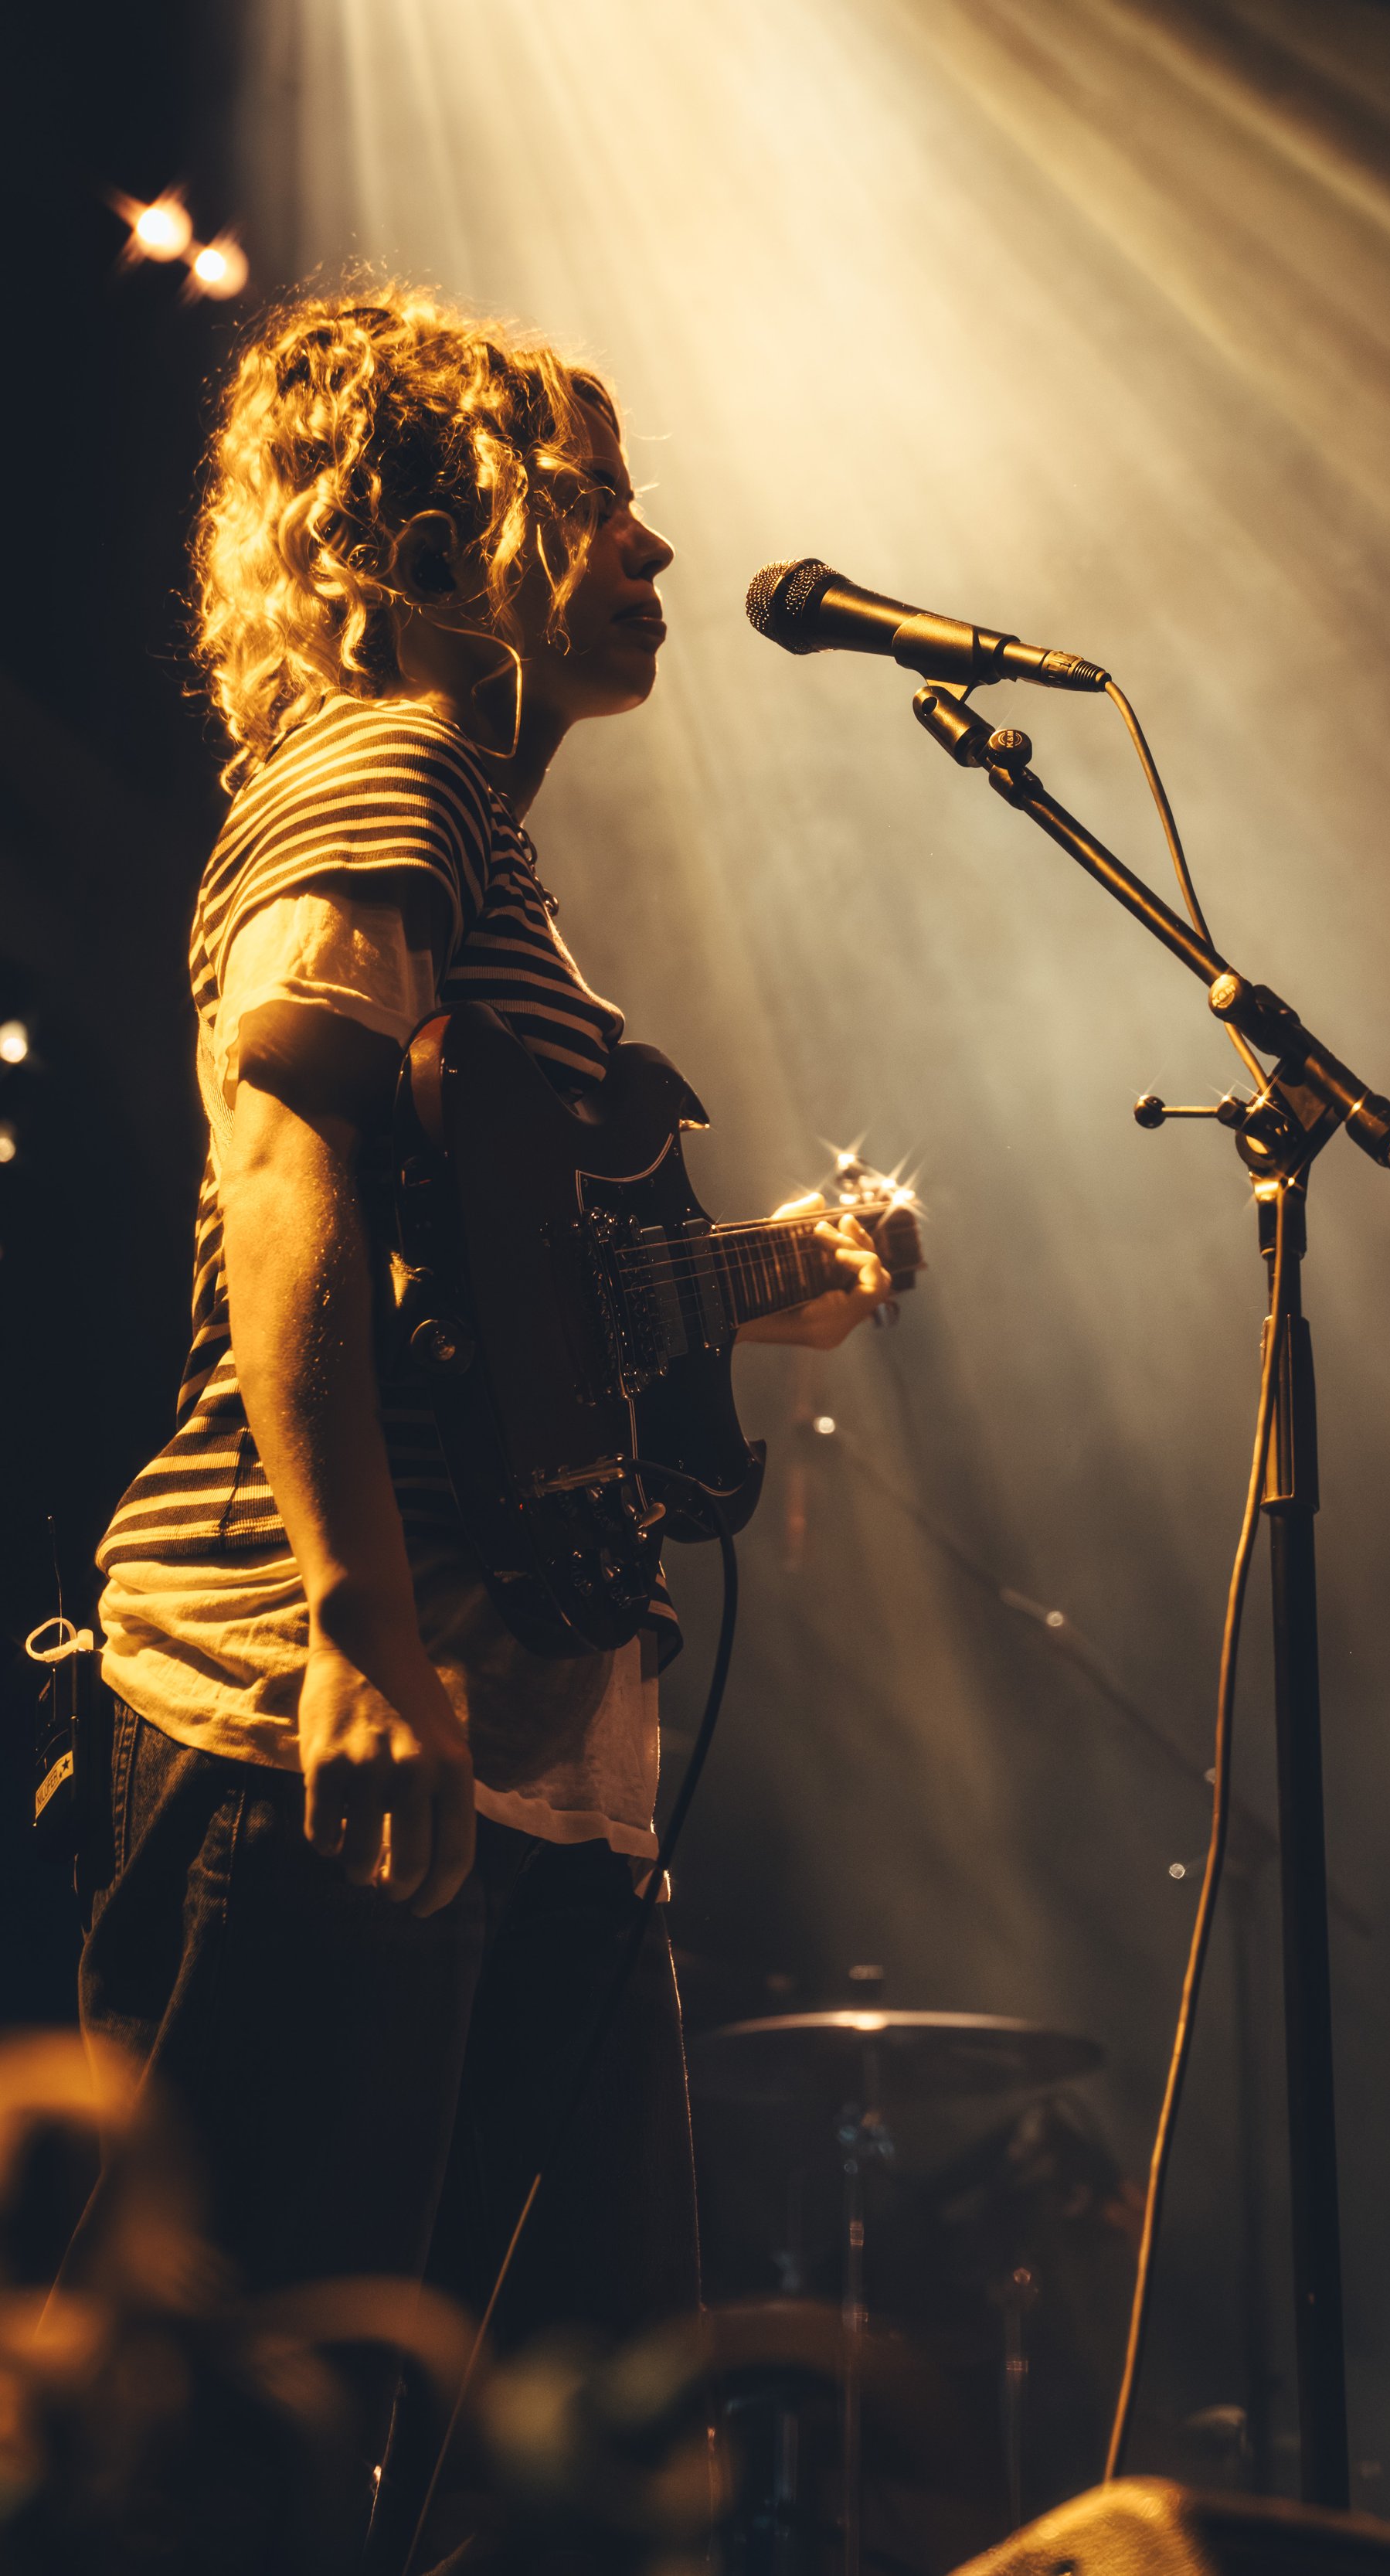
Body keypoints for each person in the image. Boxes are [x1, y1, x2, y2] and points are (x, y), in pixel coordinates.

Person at [78, 283, 886, 2551]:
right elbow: (282, 1164)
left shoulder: (471, 831)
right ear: (431, 529)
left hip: (531, 1767)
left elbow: (473, 1296)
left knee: (528, 2490)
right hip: (334, 1711)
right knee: (232, 2487)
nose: (648, 543)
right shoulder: (381, 768)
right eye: (597, 494)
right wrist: (354, 1628)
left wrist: (728, 1298)